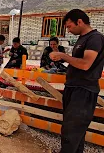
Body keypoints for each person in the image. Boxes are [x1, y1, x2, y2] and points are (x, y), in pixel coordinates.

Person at [49, 9, 104, 153]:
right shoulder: (82, 38)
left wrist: (63, 56)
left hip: (84, 89)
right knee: (75, 130)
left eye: (69, 26)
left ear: (79, 22)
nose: (68, 30)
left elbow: (85, 64)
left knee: (71, 130)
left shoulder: (95, 38)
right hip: (74, 87)